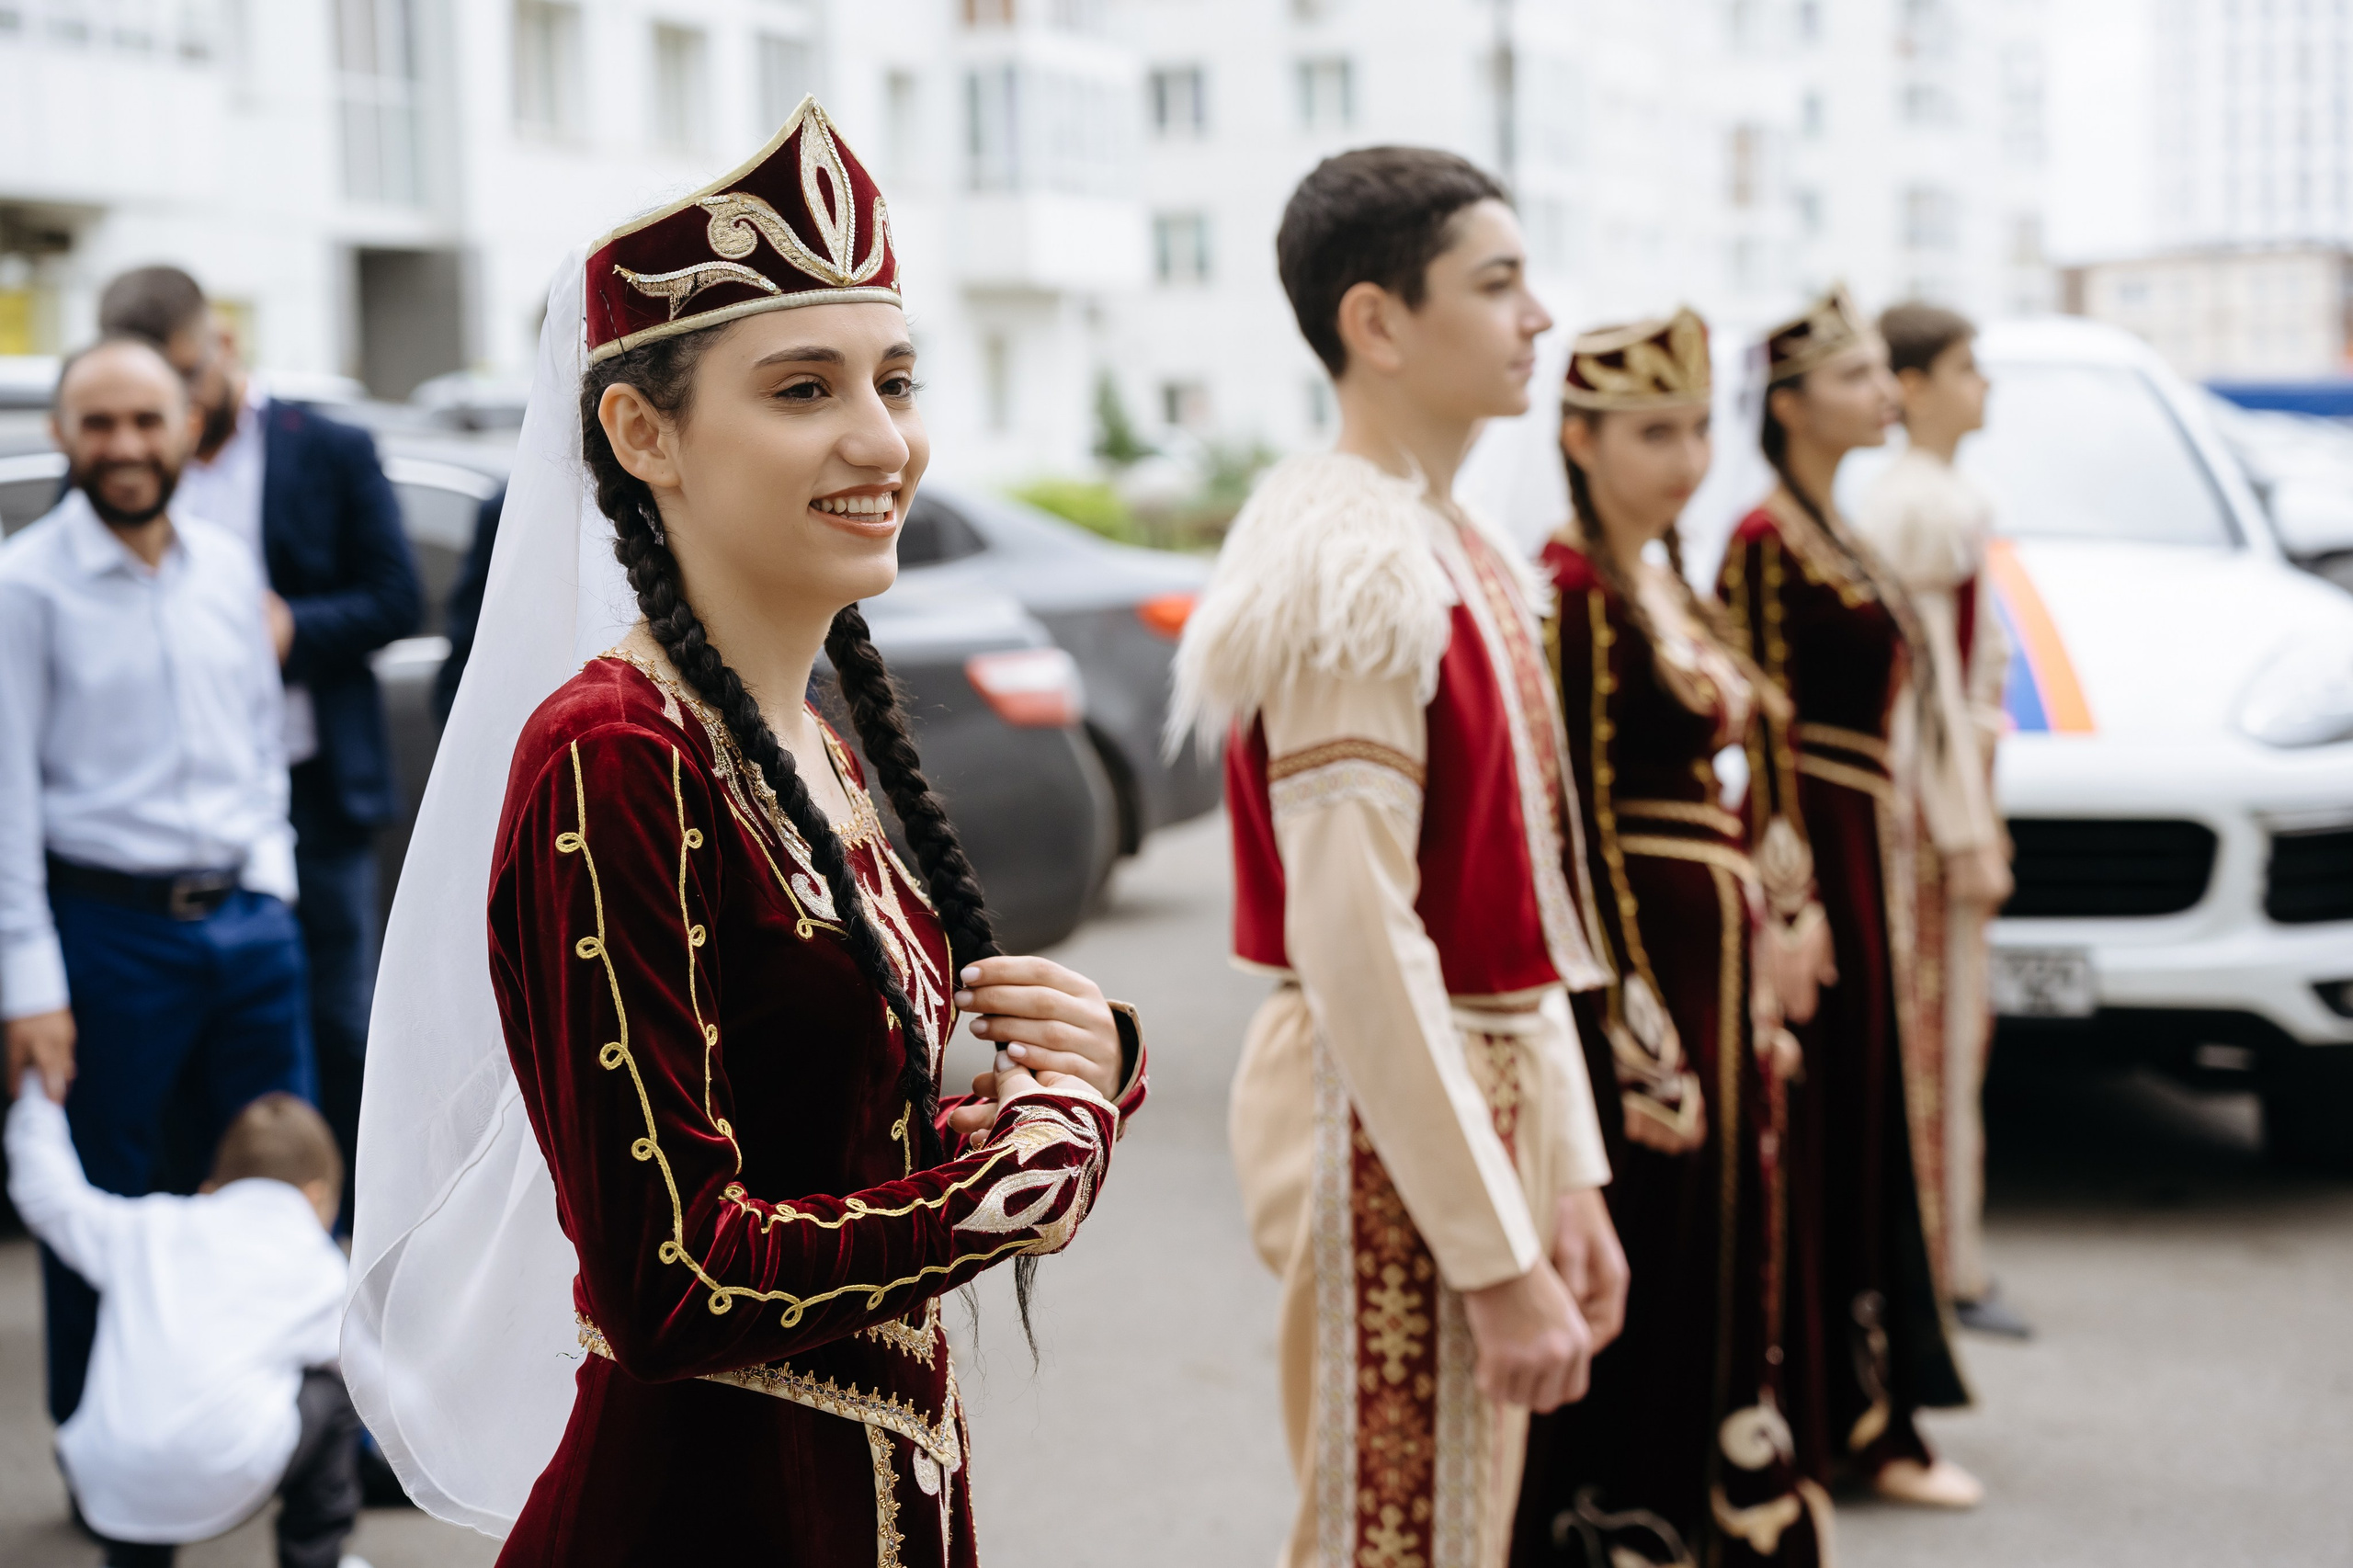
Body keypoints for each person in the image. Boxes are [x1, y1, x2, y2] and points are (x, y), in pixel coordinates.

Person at [346, 99, 1147, 1562]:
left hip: (880, 1487)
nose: (881, 437)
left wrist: (1078, 1060)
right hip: (713, 1512)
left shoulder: (805, 739)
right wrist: (1019, 1178)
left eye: (896, 379)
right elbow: (676, 1281)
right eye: (802, 389)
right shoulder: (612, 757)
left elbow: (843, 1115)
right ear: (641, 431)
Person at [1175, 146, 1628, 1568]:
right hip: (1378, 1099)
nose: (1537, 318)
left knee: (1449, 1530)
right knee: (1397, 1531)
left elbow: (1513, 907)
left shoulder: (1450, 540)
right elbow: (1358, 930)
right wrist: (1492, 1253)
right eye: (1498, 285)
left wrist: (1568, 1170)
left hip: (1471, 1090)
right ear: (1376, 322)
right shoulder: (1350, 558)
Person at [1512, 311, 1832, 1566]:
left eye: (1699, 427)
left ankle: (1711, 1498)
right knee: (1666, 1233)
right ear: (1579, 440)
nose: (1688, 455)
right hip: (1655, 965)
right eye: (1654, 431)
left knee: (1732, 1222)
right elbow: (1582, 830)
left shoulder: (1671, 581)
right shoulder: (1578, 592)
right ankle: (1628, 1516)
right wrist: (1639, 1025)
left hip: (1723, 955)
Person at [0, 337, 315, 1430]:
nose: (125, 446)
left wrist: (270, 889)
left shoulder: (228, 565)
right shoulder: (24, 586)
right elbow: (8, 806)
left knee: (278, 1195)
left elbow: (257, 743)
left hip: (247, 927)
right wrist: (30, 985)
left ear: (188, 427)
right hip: (106, 936)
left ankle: (274, 1429)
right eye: (99, 423)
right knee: (105, 1201)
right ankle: (105, 1449)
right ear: (62, 434)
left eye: (146, 421)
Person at [1713, 287, 1978, 1508]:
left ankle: (1871, 1403)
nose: (1886, 391)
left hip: (1867, 837)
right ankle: (1837, 1412)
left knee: (1877, 1115)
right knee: (1834, 1120)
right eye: (1860, 373)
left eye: (1888, 369)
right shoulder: (1766, 543)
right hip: (1819, 845)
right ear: (1791, 402)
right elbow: (1761, 723)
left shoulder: (1840, 529)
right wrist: (1791, 893)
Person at [97, 267, 421, 1226]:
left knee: (335, 1020)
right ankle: (223, 1231)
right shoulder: (131, 464)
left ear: (225, 345)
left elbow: (397, 596)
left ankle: (357, 1230)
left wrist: (292, 628)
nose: (179, 408)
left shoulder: (329, 447)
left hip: (313, 787)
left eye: (189, 379)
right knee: (196, 1041)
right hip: (169, 801)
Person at [1855, 304, 2022, 1341]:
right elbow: (1920, 691)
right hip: (1928, 799)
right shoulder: (1909, 509)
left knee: (1958, 1028)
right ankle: (1935, 1262)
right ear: (1910, 383)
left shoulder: (1941, 496)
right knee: (1934, 1027)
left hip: (1955, 778)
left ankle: (1949, 1254)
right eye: (1964, 366)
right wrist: (1965, 826)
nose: (1982, 385)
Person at [6, 1083, 361, 1568]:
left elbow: (51, 1199)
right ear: (317, 1198)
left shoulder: (148, 1227)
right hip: (226, 1471)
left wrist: (35, 1098)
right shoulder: (318, 1265)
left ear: (210, 1189)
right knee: (338, 1395)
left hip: (110, 1477)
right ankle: (313, 1558)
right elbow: (361, 1365)